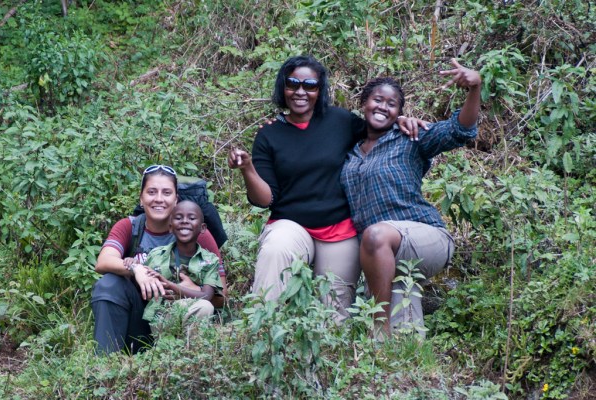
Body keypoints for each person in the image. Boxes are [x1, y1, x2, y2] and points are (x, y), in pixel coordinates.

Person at [227, 55, 423, 321]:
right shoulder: (269, 135)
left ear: (320, 91)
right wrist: (247, 169)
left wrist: (400, 120)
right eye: (293, 83)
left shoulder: (340, 121)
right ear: (282, 87)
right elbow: (265, 199)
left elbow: (377, 128)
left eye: (309, 86)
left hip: (338, 228)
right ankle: (263, 329)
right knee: (275, 249)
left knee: (334, 314)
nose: (300, 92)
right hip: (291, 224)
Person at [340, 58, 481, 337]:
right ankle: (406, 355)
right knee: (400, 290)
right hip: (380, 251)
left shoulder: (410, 138)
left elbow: (459, 130)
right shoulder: (349, 151)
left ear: (399, 113)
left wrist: (474, 87)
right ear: (364, 104)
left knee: (376, 235)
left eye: (392, 104)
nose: (383, 106)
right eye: (377, 100)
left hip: (427, 238)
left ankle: (379, 331)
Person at [91, 165, 226, 354]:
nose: (159, 199)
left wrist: (192, 291)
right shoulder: (129, 227)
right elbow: (103, 261)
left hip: (177, 318)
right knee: (108, 283)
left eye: (167, 192)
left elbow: (222, 297)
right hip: (138, 320)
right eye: (152, 192)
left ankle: (186, 364)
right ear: (141, 198)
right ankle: (105, 361)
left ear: (176, 198)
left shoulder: (196, 233)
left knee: (202, 306)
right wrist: (136, 269)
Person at [141, 200, 223, 330]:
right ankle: (167, 346)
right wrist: (134, 265)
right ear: (170, 227)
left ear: (202, 228)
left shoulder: (210, 260)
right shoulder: (156, 255)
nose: (185, 221)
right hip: (162, 315)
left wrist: (172, 286)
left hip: (196, 310)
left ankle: (189, 349)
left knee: (205, 306)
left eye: (191, 218)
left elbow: (207, 296)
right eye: (178, 218)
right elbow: (141, 285)